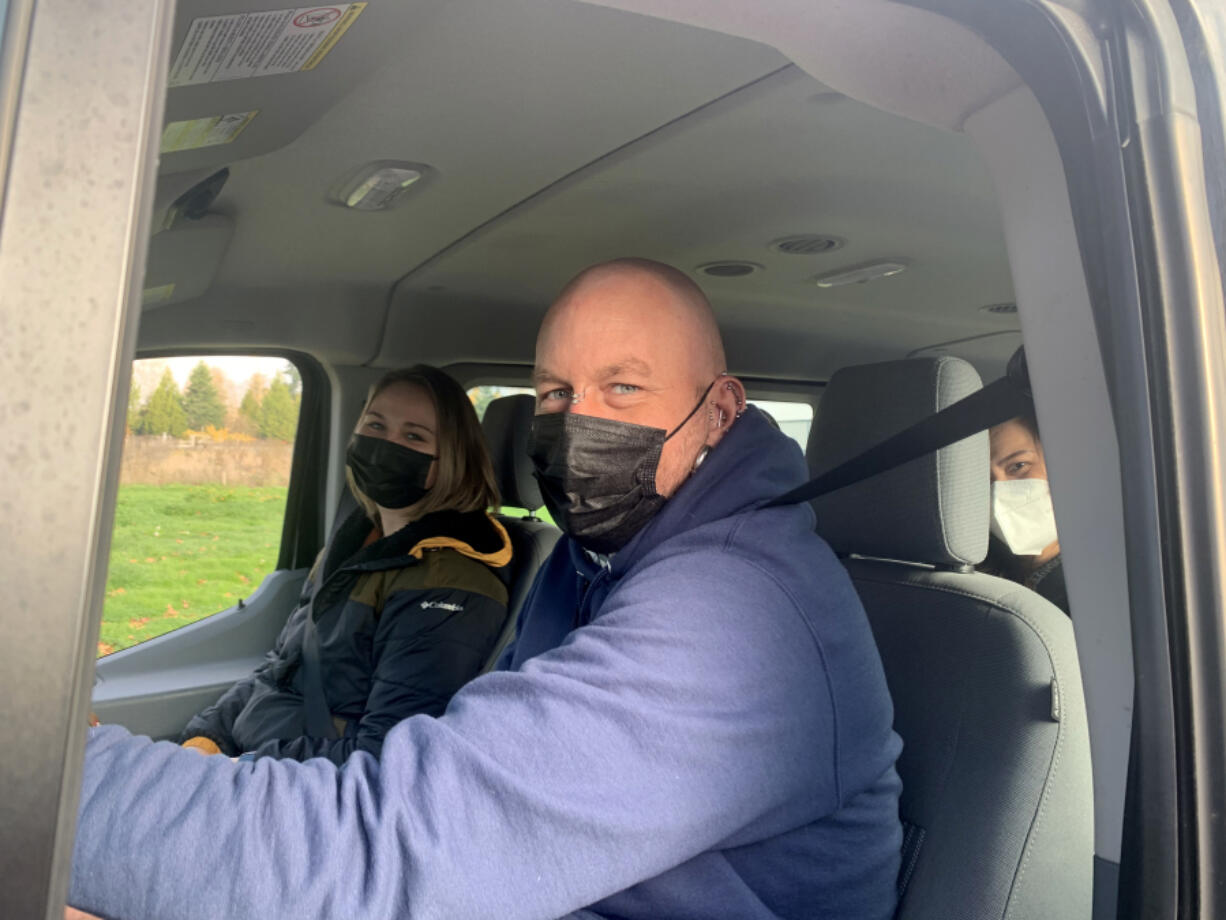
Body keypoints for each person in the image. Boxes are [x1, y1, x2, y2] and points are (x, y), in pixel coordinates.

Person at [68, 259, 902, 920]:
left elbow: (389, 852)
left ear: (719, 413)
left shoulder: (737, 615)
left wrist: (58, 781)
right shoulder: (596, 561)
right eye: (556, 393)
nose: (578, 422)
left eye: (624, 388)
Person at [179, 364, 513, 764]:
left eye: (413, 436)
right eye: (375, 426)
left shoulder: (450, 584)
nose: (386, 445)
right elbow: (280, 669)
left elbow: (384, 755)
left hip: (303, 791)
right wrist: (207, 738)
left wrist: (237, 771)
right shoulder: (353, 548)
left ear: (452, 459)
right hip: (256, 763)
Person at [984, 402, 1068, 614]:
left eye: (1018, 466)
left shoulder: (1103, 577)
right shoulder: (975, 579)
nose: (998, 491)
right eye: (982, 479)